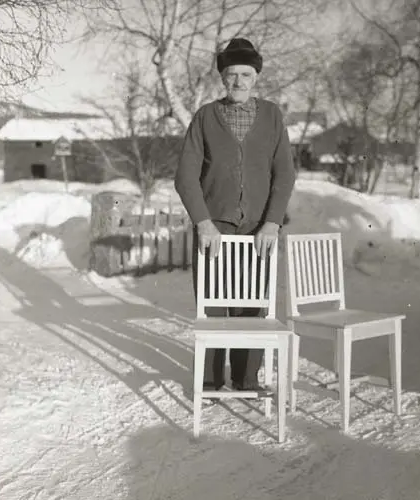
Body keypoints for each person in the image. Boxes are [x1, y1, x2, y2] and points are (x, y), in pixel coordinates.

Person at [174, 38, 296, 393]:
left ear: (256, 77)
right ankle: (211, 381)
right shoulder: (205, 117)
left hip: (259, 230)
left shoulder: (272, 115)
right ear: (222, 78)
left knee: (252, 305)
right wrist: (203, 223)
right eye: (232, 74)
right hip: (215, 228)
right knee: (213, 306)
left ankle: (246, 380)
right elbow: (185, 177)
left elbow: (284, 174)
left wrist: (272, 222)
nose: (239, 81)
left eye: (246, 74)